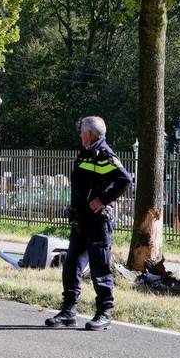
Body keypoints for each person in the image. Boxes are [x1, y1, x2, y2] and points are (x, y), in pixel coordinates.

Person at [45, 116, 132, 330]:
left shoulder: (105, 155)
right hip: (81, 220)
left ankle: (104, 313)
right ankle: (68, 312)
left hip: (97, 223)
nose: (79, 134)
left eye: (82, 131)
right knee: (72, 266)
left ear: (90, 134)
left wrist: (103, 200)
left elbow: (125, 179)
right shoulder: (85, 153)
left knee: (99, 268)